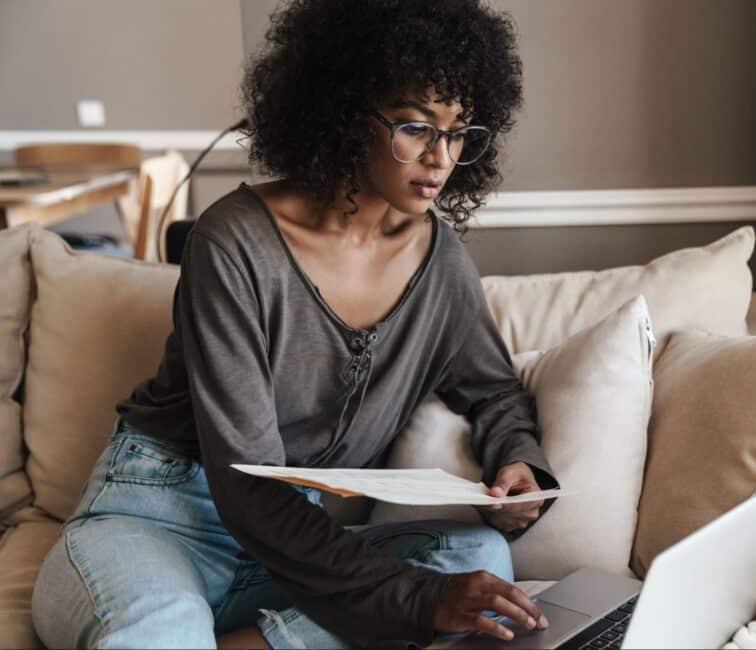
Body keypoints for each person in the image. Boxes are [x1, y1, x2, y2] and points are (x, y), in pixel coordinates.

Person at [30, 0, 560, 648]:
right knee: (162, 628)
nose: (441, 159)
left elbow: (495, 391)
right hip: (155, 519)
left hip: (294, 549)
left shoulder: (443, 269)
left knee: (479, 565)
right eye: (417, 127)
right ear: (345, 111)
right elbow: (248, 485)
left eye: (458, 133)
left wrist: (519, 461)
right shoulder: (234, 243)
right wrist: (416, 600)